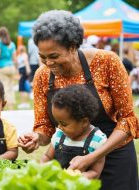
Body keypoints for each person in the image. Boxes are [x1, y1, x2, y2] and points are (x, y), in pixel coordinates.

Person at [18, 10, 139, 190]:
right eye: (42, 57)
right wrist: (36, 138)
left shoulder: (107, 62)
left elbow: (127, 119)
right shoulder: (42, 76)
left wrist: (94, 156)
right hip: (71, 164)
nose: (48, 64)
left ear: (73, 47)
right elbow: (45, 126)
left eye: (54, 56)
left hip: (114, 157)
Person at [41, 85, 107, 179]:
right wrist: (43, 168)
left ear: (84, 122)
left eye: (64, 124)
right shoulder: (59, 135)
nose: (59, 127)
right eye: (57, 122)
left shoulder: (97, 140)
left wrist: (74, 178)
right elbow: (47, 157)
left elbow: (95, 172)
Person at [0, 26, 17, 110]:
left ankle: (4, 108)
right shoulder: (12, 44)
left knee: (4, 87)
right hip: (11, 67)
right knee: (10, 87)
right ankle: (11, 108)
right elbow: (14, 58)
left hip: (1, 68)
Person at [16, 45, 31, 109]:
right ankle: (24, 103)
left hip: (23, 70)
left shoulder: (24, 55)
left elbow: (26, 62)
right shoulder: (19, 56)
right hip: (21, 70)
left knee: (22, 87)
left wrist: (28, 70)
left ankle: (24, 103)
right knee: (22, 87)